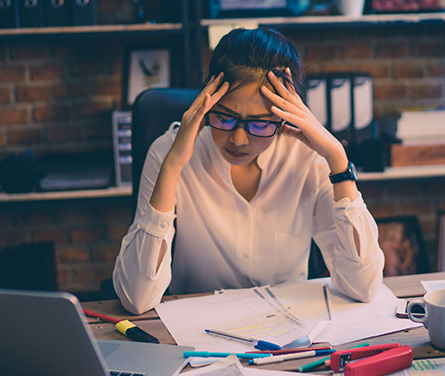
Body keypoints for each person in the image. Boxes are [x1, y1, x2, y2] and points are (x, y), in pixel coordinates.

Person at [113, 28, 385, 314]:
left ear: (284, 114)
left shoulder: (307, 158)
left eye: (260, 123)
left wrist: (337, 160)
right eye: (225, 117)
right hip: (198, 334)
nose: (239, 139)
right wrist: (172, 165)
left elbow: (363, 286)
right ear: (208, 101)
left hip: (290, 335)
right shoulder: (169, 152)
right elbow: (137, 298)